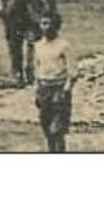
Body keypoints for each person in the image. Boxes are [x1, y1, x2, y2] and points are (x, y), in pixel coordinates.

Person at [32, 11, 75, 152]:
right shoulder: (38, 46)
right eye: (43, 23)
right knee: (45, 124)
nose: (46, 27)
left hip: (59, 88)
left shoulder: (64, 45)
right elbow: (37, 68)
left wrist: (67, 88)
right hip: (44, 88)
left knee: (57, 128)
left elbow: (72, 70)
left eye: (49, 23)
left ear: (56, 25)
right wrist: (37, 89)